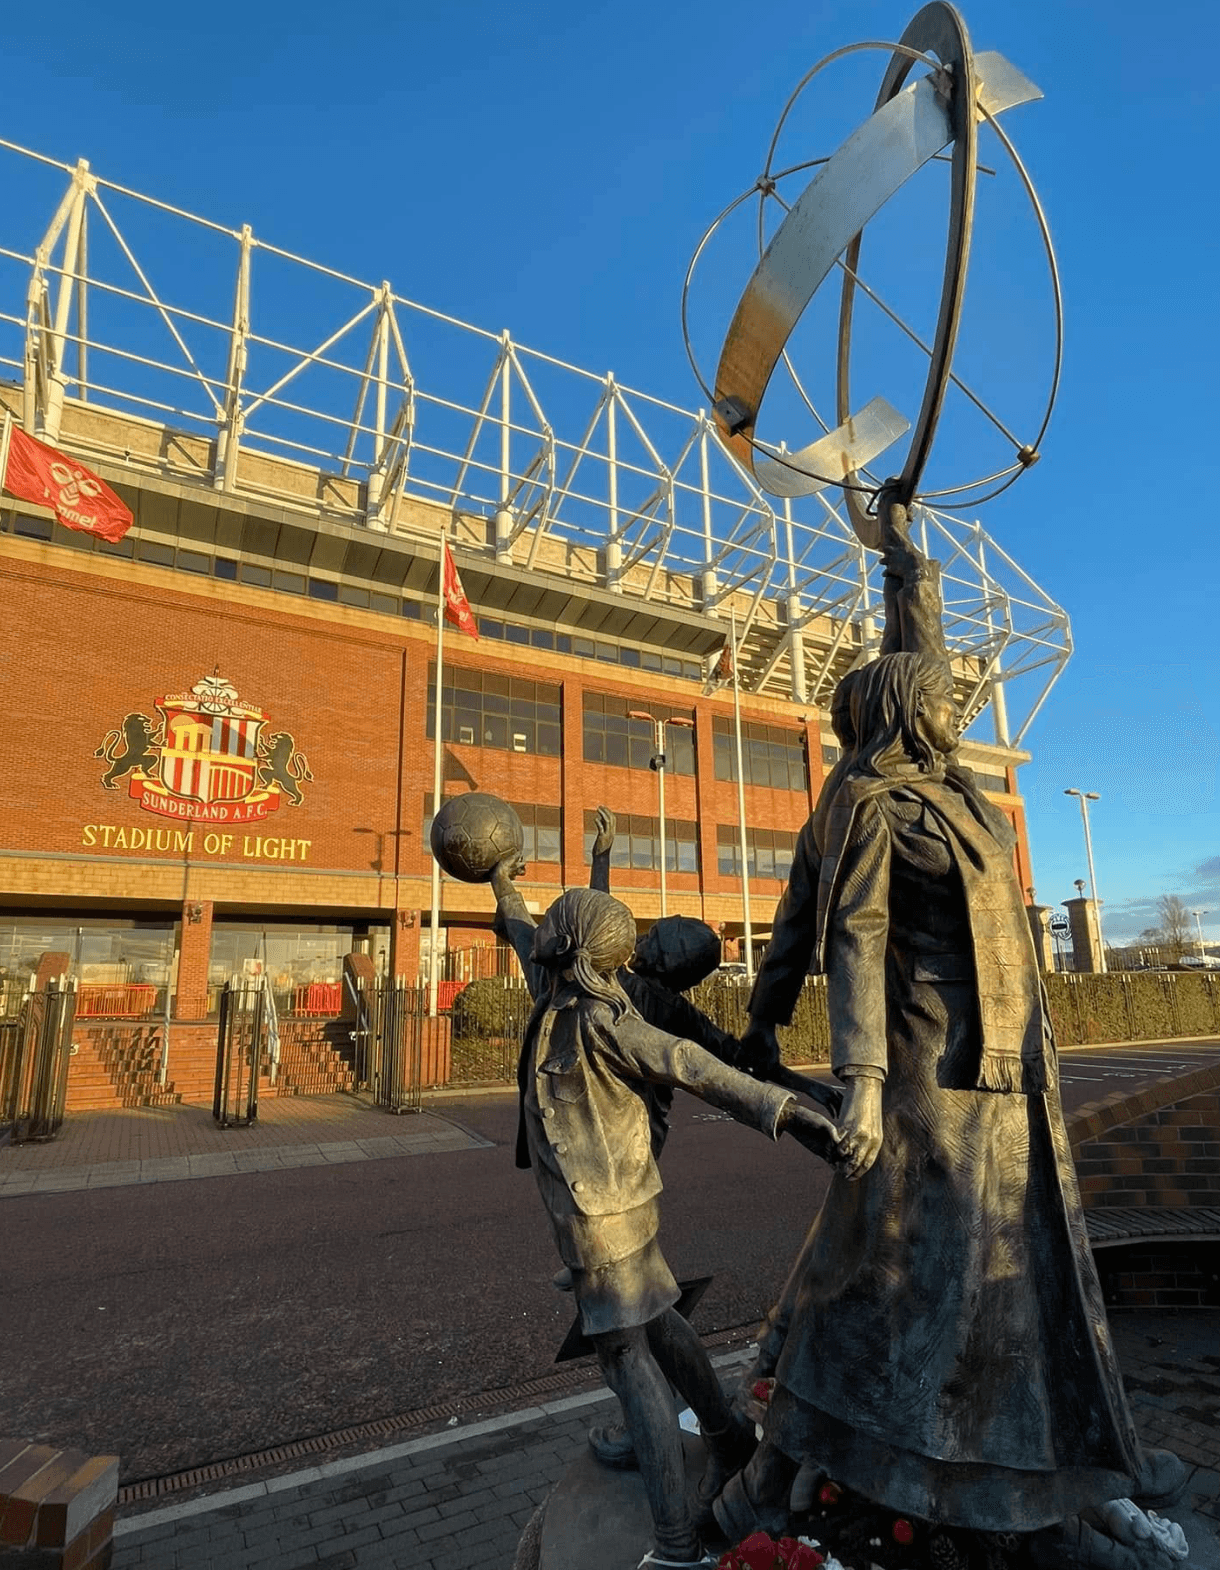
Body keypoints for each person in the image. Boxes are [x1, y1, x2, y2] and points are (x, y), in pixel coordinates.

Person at [715, 648, 1166, 1544]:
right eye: (936, 699)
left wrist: (902, 556)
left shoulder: (952, 791)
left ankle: (1026, 1441)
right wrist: (861, 1084)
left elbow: (799, 921)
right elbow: (844, 932)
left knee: (1001, 1251)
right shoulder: (872, 804)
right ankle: (865, 1455)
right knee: (910, 1255)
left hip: (1007, 1067)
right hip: (929, 1068)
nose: (953, 712)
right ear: (899, 710)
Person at [509, 886, 842, 1568]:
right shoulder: (559, 995)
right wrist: (500, 876)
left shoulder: (611, 1014)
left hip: (600, 1217)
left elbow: (698, 1063)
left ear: (571, 945)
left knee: (629, 1366)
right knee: (662, 1320)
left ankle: (674, 1546)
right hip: (613, 1202)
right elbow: (522, 927)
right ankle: (723, 1439)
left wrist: (791, 1109)